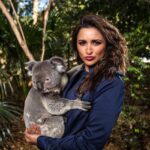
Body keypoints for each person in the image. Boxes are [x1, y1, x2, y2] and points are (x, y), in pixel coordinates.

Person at [24, 14, 128, 150]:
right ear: (76, 45)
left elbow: (90, 144)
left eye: (96, 42)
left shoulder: (111, 83)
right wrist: (33, 118)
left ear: (107, 45)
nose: (88, 50)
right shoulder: (74, 74)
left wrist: (41, 141)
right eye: (82, 43)